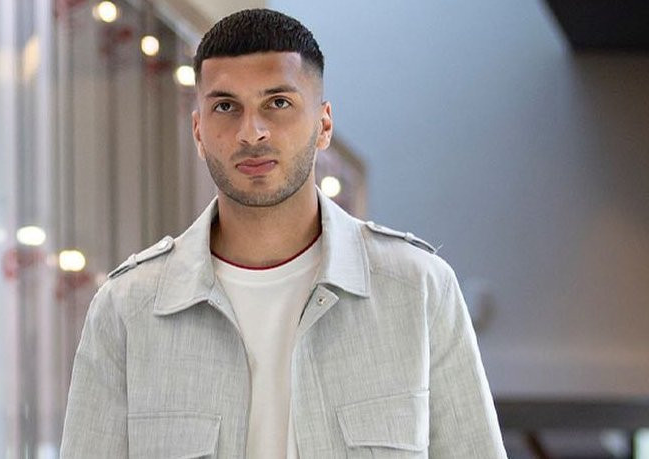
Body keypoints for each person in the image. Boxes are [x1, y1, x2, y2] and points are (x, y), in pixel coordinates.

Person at [61, 8, 507, 458]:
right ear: (198, 131)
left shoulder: (419, 290)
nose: (251, 132)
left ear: (324, 125)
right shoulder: (127, 310)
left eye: (278, 103)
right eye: (225, 107)